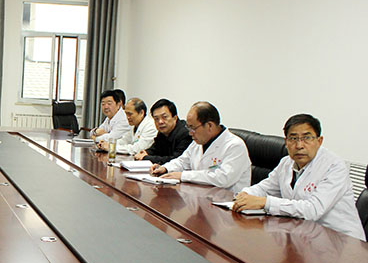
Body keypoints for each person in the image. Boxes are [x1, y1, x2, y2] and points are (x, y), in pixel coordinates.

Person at [233, 114, 365, 241]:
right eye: (293, 138)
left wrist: (265, 202)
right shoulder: (286, 163)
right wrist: (244, 194)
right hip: (303, 234)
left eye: (307, 138)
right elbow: (265, 188)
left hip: (341, 241)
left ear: (319, 141)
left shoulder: (334, 166)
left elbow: (313, 210)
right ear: (286, 142)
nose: (299, 145)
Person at [151, 101, 251, 192]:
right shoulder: (198, 142)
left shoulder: (235, 146)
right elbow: (183, 161)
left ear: (209, 125)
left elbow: (223, 178)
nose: (190, 133)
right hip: (200, 196)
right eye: (188, 127)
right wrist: (165, 168)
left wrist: (183, 176)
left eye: (193, 128)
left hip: (226, 201)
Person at [134, 98, 192, 164]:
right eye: (156, 119)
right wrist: (145, 152)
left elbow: (176, 160)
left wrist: (146, 157)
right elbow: (155, 149)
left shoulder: (185, 133)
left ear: (175, 118)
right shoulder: (162, 132)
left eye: (164, 117)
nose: (160, 122)